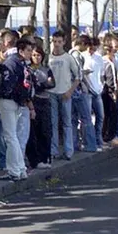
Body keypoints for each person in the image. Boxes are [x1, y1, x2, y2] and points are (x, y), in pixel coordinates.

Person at [0, 36, 33, 181]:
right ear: (20, 50)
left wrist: (1, 93)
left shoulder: (11, 62)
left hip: (7, 100)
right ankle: (20, 169)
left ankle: (15, 170)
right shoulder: (21, 64)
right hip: (17, 101)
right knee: (12, 135)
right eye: (28, 50)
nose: (30, 53)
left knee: (10, 136)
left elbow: (7, 81)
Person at [47, 31, 80, 161]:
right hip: (52, 93)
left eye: (59, 42)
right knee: (53, 123)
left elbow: (78, 76)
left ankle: (68, 151)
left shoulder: (68, 58)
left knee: (67, 123)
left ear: (64, 42)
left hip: (65, 93)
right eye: (54, 41)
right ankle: (53, 150)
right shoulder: (49, 58)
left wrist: (70, 91)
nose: (57, 44)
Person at [25, 46, 55, 169]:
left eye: (39, 55)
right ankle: (35, 159)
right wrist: (43, 84)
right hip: (34, 101)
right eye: (34, 55)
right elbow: (33, 86)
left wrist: (42, 84)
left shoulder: (46, 69)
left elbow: (52, 83)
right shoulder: (29, 70)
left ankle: (45, 156)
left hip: (46, 100)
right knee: (34, 131)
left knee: (46, 130)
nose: (36, 58)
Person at [70, 35, 96, 152]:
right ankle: (90, 144)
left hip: (71, 89)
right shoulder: (76, 55)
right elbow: (78, 73)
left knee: (73, 119)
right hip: (78, 89)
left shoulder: (69, 53)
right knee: (86, 119)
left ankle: (74, 144)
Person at [83, 37, 106, 150]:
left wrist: (101, 86)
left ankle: (98, 138)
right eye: (90, 47)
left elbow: (101, 74)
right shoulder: (83, 56)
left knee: (100, 116)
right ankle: (88, 140)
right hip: (87, 90)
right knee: (87, 117)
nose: (91, 50)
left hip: (97, 89)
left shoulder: (99, 58)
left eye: (94, 47)